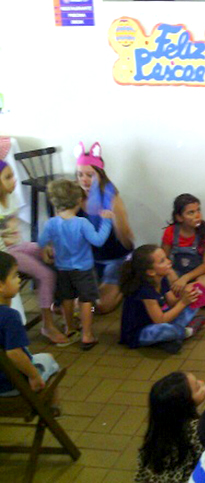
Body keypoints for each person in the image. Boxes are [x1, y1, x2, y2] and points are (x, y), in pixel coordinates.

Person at [0, 160, 72, 345]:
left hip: (18, 246)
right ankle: (47, 325)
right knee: (45, 274)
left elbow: (19, 237)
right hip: (5, 254)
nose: (14, 180)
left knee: (57, 255)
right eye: (8, 177)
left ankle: (57, 304)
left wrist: (43, 248)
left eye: (12, 175)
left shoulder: (10, 198)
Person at [38, 179, 113, 350]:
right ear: (79, 201)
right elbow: (98, 241)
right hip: (84, 269)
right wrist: (106, 222)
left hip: (62, 268)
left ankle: (69, 328)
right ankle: (87, 334)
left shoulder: (51, 223)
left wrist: (48, 248)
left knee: (67, 298)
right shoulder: (82, 223)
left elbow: (41, 241)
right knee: (86, 300)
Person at [75, 141, 135, 314]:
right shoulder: (75, 198)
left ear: (100, 175)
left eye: (90, 175)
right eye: (80, 175)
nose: (84, 180)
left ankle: (128, 282)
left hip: (115, 258)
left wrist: (114, 219)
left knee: (100, 306)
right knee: (75, 303)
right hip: (89, 260)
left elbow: (127, 238)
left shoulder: (111, 198)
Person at [120, 245, 205, 354]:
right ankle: (184, 332)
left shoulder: (162, 278)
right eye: (162, 261)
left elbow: (172, 302)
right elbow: (160, 320)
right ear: (151, 272)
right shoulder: (145, 290)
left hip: (161, 319)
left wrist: (186, 296)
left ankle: (171, 339)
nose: (169, 261)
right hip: (141, 332)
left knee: (194, 301)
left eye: (166, 258)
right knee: (166, 330)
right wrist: (183, 302)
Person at [0, 251, 60, 405]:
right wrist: (34, 376)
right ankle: (51, 410)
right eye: (14, 276)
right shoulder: (9, 317)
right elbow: (14, 353)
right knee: (49, 360)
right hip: (10, 383)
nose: (19, 279)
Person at [136, 371, 205, 483]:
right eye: (197, 387)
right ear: (186, 403)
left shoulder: (157, 430)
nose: (202, 382)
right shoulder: (198, 431)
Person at [162, 193, 205, 306]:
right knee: (163, 276)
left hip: (200, 274)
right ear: (179, 217)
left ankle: (181, 297)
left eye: (198, 210)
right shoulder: (170, 231)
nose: (197, 215)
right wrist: (171, 272)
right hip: (178, 272)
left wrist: (185, 278)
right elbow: (163, 258)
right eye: (191, 213)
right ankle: (194, 296)